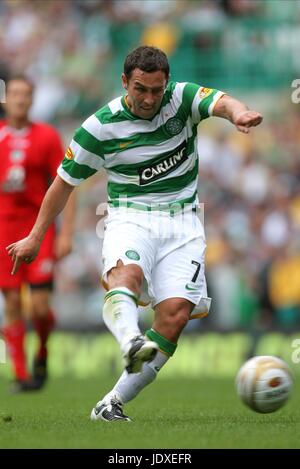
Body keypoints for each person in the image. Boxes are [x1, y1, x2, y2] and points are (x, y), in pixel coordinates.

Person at [7, 47, 262, 416]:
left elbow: (221, 102)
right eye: (140, 89)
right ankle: (130, 339)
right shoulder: (99, 127)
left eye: (156, 90)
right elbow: (63, 184)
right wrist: (35, 236)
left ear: (166, 84)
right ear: (125, 81)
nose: (148, 99)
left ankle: (111, 403)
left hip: (184, 221)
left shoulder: (181, 97)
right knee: (125, 275)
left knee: (174, 316)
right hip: (130, 215)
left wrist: (238, 113)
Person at [0, 75, 75, 392]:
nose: (19, 99)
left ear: (32, 99)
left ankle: (42, 349)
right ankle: (20, 373)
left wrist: (65, 233)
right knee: (14, 302)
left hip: (37, 230)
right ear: (7, 98)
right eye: (14, 93)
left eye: (25, 94)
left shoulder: (47, 136)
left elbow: (67, 184)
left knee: (40, 306)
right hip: (4, 230)